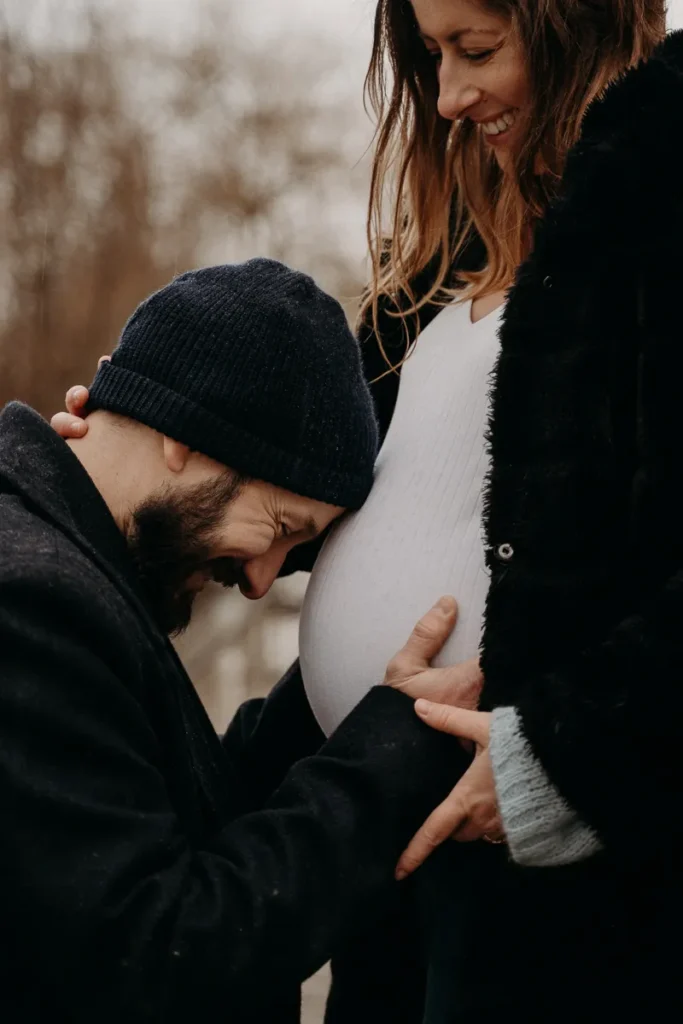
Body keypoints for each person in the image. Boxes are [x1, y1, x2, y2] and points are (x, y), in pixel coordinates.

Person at [54, 2, 683, 1021]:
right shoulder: (424, 286)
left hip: (572, 904)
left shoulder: (657, 239)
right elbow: (275, 496)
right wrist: (115, 457)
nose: (445, 96)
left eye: (475, 50)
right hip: (385, 875)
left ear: (578, 25)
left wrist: (557, 762)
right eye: (429, 57)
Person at [0, 257, 472, 1024]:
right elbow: (157, 956)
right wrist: (396, 750)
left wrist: (335, 703)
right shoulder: (29, 600)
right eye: (281, 530)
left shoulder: (65, 565)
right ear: (186, 435)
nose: (260, 580)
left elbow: (159, 817)